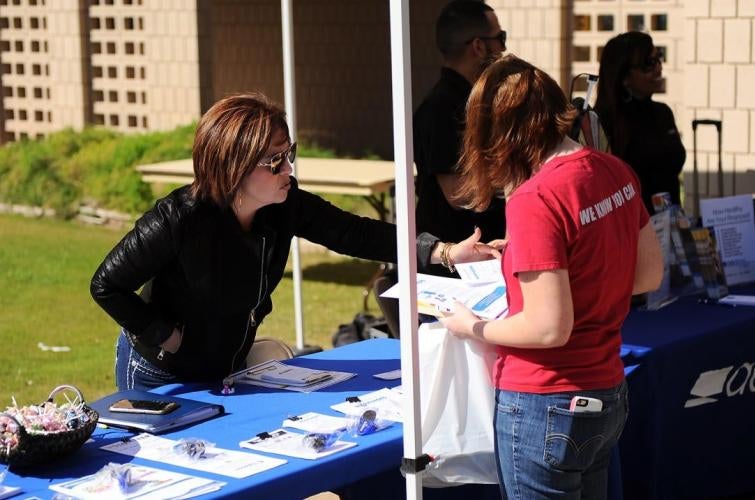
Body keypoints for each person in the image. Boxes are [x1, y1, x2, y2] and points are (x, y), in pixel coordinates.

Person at [90, 92, 498, 391]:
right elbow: (106, 284)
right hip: (157, 372)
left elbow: (354, 232)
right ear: (234, 165)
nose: (288, 168)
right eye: (275, 160)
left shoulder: (284, 203)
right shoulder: (179, 216)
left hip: (223, 367)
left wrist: (442, 251)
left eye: (290, 154)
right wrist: (165, 335)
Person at [440, 55, 663, 499]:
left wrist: (473, 327)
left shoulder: (535, 196)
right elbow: (646, 275)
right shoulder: (613, 169)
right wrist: (537, 254)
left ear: (496, 133)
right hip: (605, 392)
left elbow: (547, 328)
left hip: (545, 401)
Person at [413, 0, 507, 273]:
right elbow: (459, 193)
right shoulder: (443, 108)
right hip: (455, 264)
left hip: (475, 257)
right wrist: (518, 175)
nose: (503, 48)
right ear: (478, 46)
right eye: (500, 38)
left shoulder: (470, 101)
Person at [594, 31, 686, 215]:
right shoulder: (602, 122)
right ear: (625, 77)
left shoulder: (663, 113)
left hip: (672, 230)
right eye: (648, 64)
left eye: (658, 58)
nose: (658, 68)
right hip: (634, 232)